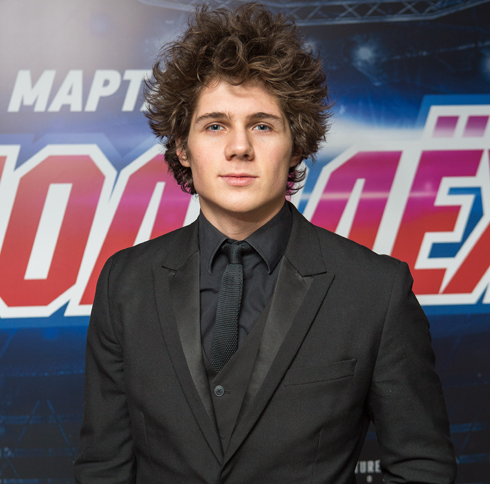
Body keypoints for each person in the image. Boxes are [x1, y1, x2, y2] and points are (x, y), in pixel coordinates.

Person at [74, 3, 457, 483]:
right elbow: (103, 467)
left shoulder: (376, 290)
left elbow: (423, 466)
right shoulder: (125, 282)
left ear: (296, 145)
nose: (239, 147)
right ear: (182, 148)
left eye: (262, 125)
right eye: (215, 125)